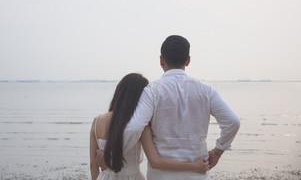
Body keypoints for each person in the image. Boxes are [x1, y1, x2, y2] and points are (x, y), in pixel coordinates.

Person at [122, 35, 240, 180]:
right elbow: (233, 122)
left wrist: (115, 153)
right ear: (188, 60)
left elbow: (134, 128)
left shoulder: (152, 91)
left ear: (161, 60)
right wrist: (217, 152)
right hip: (198, 174)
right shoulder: (207, 90)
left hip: (161, 176)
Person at [90, 73, 210, 180]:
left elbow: (93, 165)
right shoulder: (141, 126)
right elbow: (156, 162)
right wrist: (194, 167)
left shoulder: (97, 121)